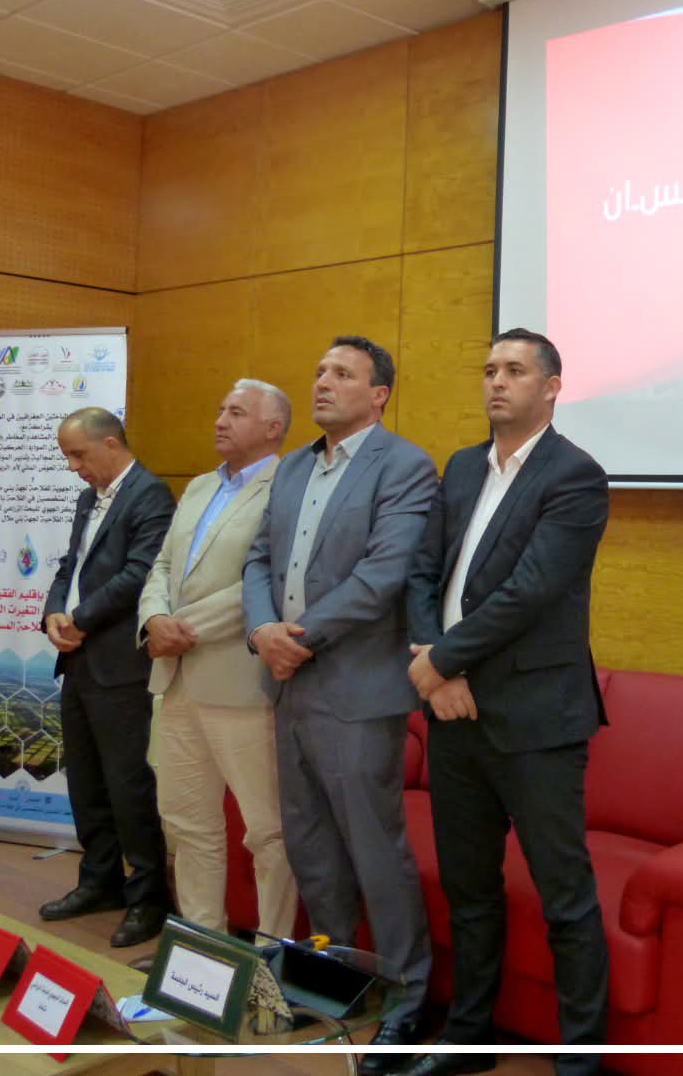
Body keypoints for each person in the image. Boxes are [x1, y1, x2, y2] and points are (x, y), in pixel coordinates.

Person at [403, 327, 610, 1076]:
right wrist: (435, 667)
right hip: (453, 711)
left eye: (515, 370)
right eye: (490, 368)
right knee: (470, 889)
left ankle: (579, 1062)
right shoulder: (462, 467)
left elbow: (529, 592)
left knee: (564, 897)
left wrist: (441, 662)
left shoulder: (576, 476)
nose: (497, 381)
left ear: (551, 387)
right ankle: (468, 1038)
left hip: (536, 719)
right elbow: (423, 573)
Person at [242, 336, 438, 1076]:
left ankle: (407, 1002)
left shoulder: (404, 465)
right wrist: (263, 633)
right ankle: (332, 980)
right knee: (311, 845)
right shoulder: (294, 465)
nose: (323, 382)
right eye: (320, 370)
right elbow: (258, 558)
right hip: (288, 679)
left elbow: (385, 573)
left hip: (356, 688)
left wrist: (298, 638)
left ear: (379, 393)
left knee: (373, 849)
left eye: (343, 374)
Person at [137, 379, 299, 939]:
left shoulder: (289, 487)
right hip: (176, 680)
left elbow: (273, 579)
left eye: (236, 412)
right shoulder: (201, 486)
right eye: (220, 409)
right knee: (187, 824)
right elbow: (162, 566)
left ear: (273, 428)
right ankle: (202, 953)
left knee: (267, 832)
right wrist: (153, 621)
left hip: (241, 684)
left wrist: (183, 630)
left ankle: (269, 958)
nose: (220, 420)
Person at [40, 407, 176, 948]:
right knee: (86, 781)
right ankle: (99, 882)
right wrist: (54, 612)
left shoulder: (151, 495)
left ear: (111, 444)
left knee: (128, 786)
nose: (73, 467)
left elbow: (140, 573)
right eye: (67, 457)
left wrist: (81, 618)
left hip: (120, 664)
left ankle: (148, 899)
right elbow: (69, 565)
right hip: (78, 659)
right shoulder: (87, 498)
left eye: (78, 454)